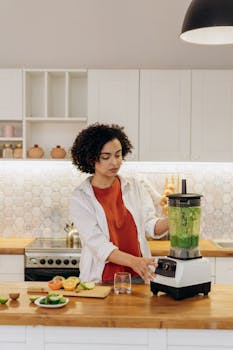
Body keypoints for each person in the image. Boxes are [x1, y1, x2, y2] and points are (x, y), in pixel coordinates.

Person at [69, 123, 169, 283]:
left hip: (139, 276)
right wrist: (134, 261)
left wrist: (176, 217)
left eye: (118, 155)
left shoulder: (135, 187)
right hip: (101, 281)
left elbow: (150, 226)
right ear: (90, 158)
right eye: (106, 157)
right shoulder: (80, 197)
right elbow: (98, 245)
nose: (114, 162)